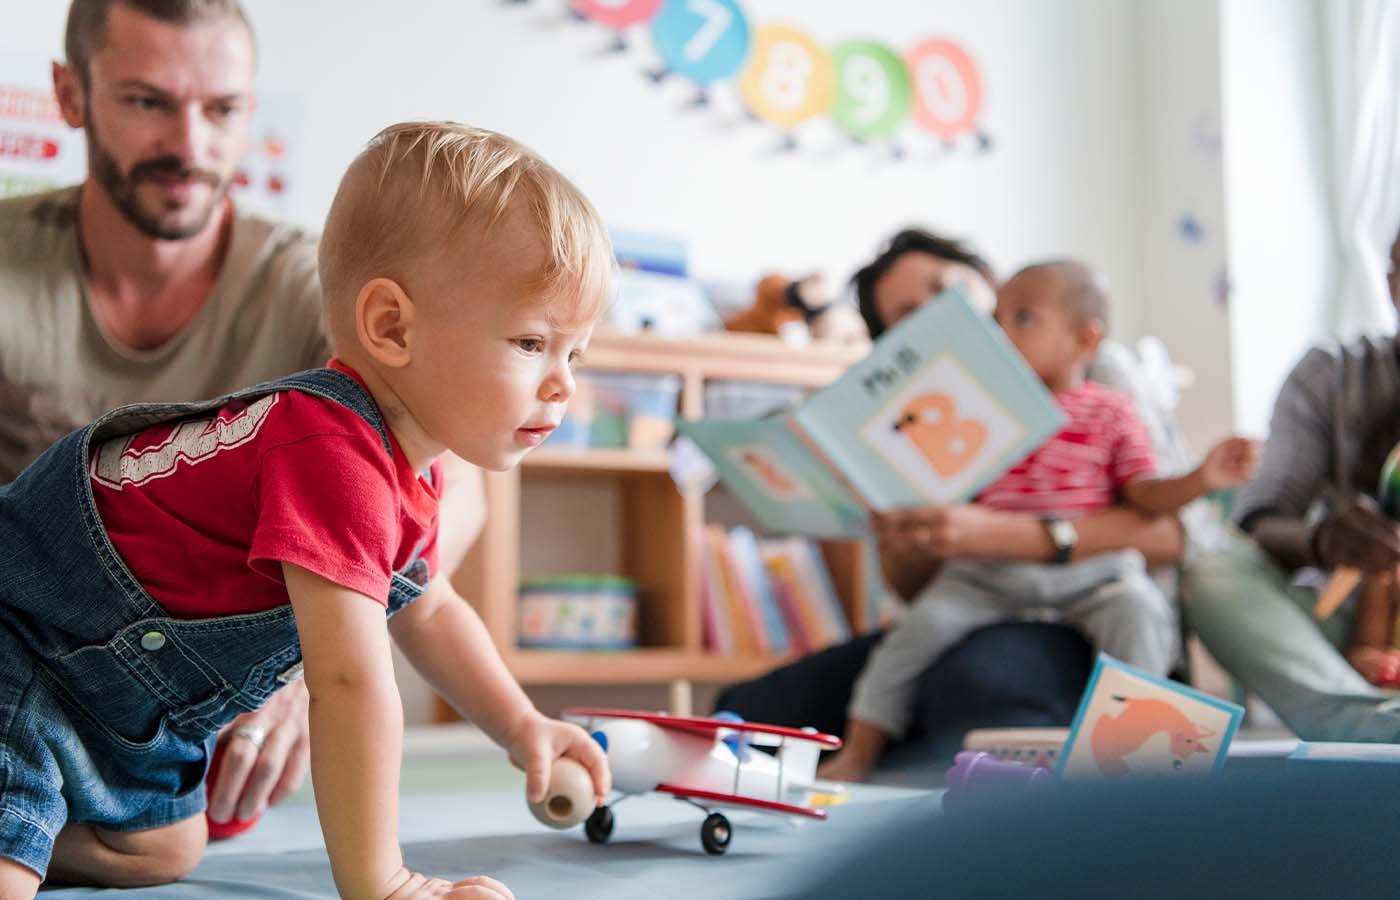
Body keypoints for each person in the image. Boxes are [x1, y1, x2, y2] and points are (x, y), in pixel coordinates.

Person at [0, 121, 611, 899]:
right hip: (24, 636)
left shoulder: (406, 473)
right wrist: (382, 882)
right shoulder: (328, 452)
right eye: (531, 342)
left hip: (116, 704)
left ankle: (38, 815)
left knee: (165, 852)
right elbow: (350, 682)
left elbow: (429, 609)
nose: (562, 383)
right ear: (392, 327)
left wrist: (523, 725)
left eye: (575, 352)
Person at [0, 0, 484, 833]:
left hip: (179, 705)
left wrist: (311, 663)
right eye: (148, 102)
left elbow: (449, 484)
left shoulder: (318, 289)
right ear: (71, 96)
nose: (190, 146)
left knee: (176, 844)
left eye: (221, 110)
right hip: (16, 654)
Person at [715, 230, 1188, 765]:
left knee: (972, 689)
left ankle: (1104, 773)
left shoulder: (1094, 371)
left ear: (988, 283)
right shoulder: (915, 409)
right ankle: (884, 757)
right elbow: (920, 593)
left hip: (1092, 600)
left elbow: (1171, 534)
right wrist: (902, 535)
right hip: (979, 595)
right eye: (909, 313)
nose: (940, 310)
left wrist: (1019, 537)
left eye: (946, 285)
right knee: (745, 711)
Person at [817, 261, 1257, 782]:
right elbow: (945, 488)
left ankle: (1136, 764)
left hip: (1091, 573)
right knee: (911, 637)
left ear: (1084, 339)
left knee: (1139, 613)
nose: (1001, 334)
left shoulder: (1112, 412)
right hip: (985, 575)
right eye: (998, 319)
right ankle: (860, 751)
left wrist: (1200, 479)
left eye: (1023, 320)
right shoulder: (981, 410)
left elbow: (1147, 496)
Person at [1180, 224, 1400, 741]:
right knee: (1216, 570)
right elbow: (1262, 517)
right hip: (1353, 614)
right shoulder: (1333, 375)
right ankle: (1366, 725)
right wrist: (1325, 540)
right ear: (1391, 281)